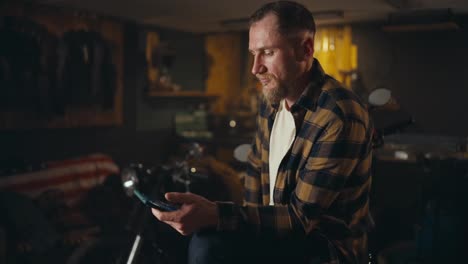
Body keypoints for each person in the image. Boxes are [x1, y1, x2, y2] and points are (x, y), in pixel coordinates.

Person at [152, 1, 373, 263]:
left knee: (208, 245)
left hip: (324, 251)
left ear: (305, 49)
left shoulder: (339, 113)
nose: (255, 68)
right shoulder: (272, 102)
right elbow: (255, 173)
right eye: (253, 53)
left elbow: (301, 220)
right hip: (276, 240)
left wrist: (215, 214)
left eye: (267, 52)